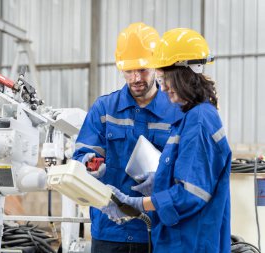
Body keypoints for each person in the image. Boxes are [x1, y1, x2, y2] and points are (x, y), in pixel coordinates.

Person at [101, 28, 231, 253]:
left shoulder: (199, 121)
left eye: (163, 78)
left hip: (190, 244)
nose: (162, 87)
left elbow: (191, 193)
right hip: (178, 242)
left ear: (183, 75)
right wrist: (160, 182)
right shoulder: (190, 118)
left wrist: (135, 204)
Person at [72, 23, 183, 253]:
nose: (135, 78)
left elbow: (188, 169)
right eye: (128, 71)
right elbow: (81, 155)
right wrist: (89, 163)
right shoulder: (104, 109)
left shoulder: (176, 111)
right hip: (110, 229)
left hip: (158, 229)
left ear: (156, 66)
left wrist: (163, 178)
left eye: (142, 70)